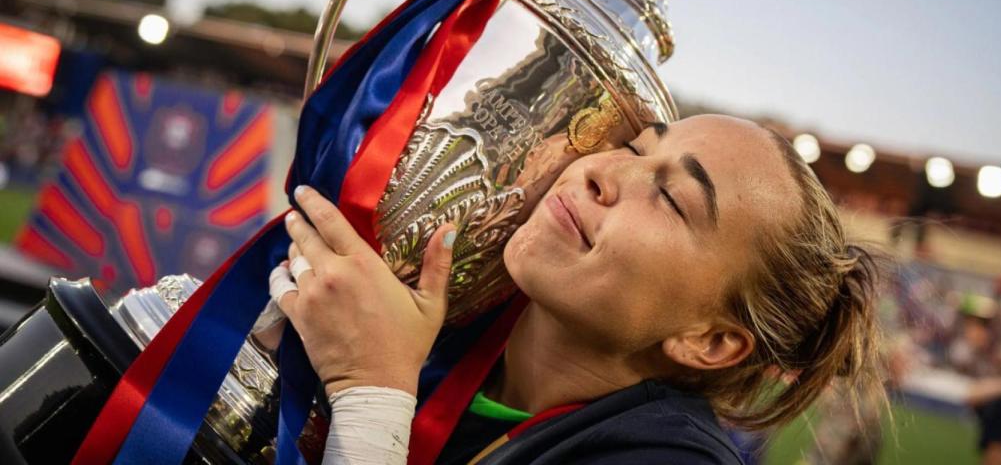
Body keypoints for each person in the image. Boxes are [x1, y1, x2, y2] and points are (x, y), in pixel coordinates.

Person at [272, 114, 887, 464]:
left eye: (672, 198)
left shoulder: (672, 462)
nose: (600, 172)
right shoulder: (450, 331)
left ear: (711, 340)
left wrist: (372, 394)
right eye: (637, 148)